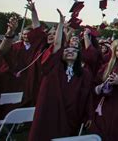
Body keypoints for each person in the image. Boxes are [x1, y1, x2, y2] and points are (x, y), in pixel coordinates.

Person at [29, 9, 93, 141]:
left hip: (71, 114)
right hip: (50, 111)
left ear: (78, 55)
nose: (70, 52)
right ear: (61, 55)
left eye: (73, 50)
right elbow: (57, 44)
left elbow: (87, 96)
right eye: (67, 50)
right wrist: (60, 23)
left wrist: (88, 115)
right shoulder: (54, 68)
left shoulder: (84, 74)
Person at [0, 3, 47, 106]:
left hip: (31, 81)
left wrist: (33, 12)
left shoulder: (37, 47)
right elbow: (2, 53)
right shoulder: (15, 46)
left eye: (28, 34)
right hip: (14, 80)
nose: (26, 36)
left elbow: (37, 29)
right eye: (24, 34)